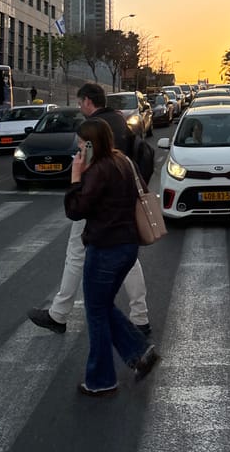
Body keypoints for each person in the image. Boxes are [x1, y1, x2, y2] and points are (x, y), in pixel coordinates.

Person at [27, 83, 151, 335]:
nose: (80, 107)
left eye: (80, 102)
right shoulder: (119, 121)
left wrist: (77, 182)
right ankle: (140, 316)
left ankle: (59, 315)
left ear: (87, 102)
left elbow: (91, 172)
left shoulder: (95, 130)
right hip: (121, 203)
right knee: (129, 260)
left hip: (97, 205)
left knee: (75, 255)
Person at [65, 118, 160, 396]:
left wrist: (75, 177)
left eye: (81, 145)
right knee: (103, 306)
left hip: (105, 249)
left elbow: (76, 209)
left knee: (95, 312)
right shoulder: (122, 162)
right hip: (128, 247)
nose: (78, 150)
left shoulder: (99, 171)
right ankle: (140, 352)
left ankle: (101, 379)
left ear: (92, 145)